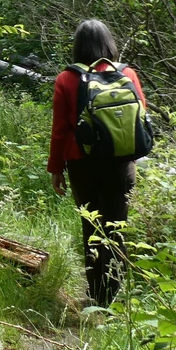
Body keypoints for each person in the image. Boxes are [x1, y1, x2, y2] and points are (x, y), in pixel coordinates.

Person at [47, 19, 148, 306]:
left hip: (83, 164)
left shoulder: (67, 79)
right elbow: (141, 115)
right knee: (117, 228)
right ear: (109, 44)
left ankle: (95, 296)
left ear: (77, 46)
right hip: (121, 164)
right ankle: (115, 301)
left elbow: (60, 130)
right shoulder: (127, 73)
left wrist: (56, 169)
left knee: (92, 229)